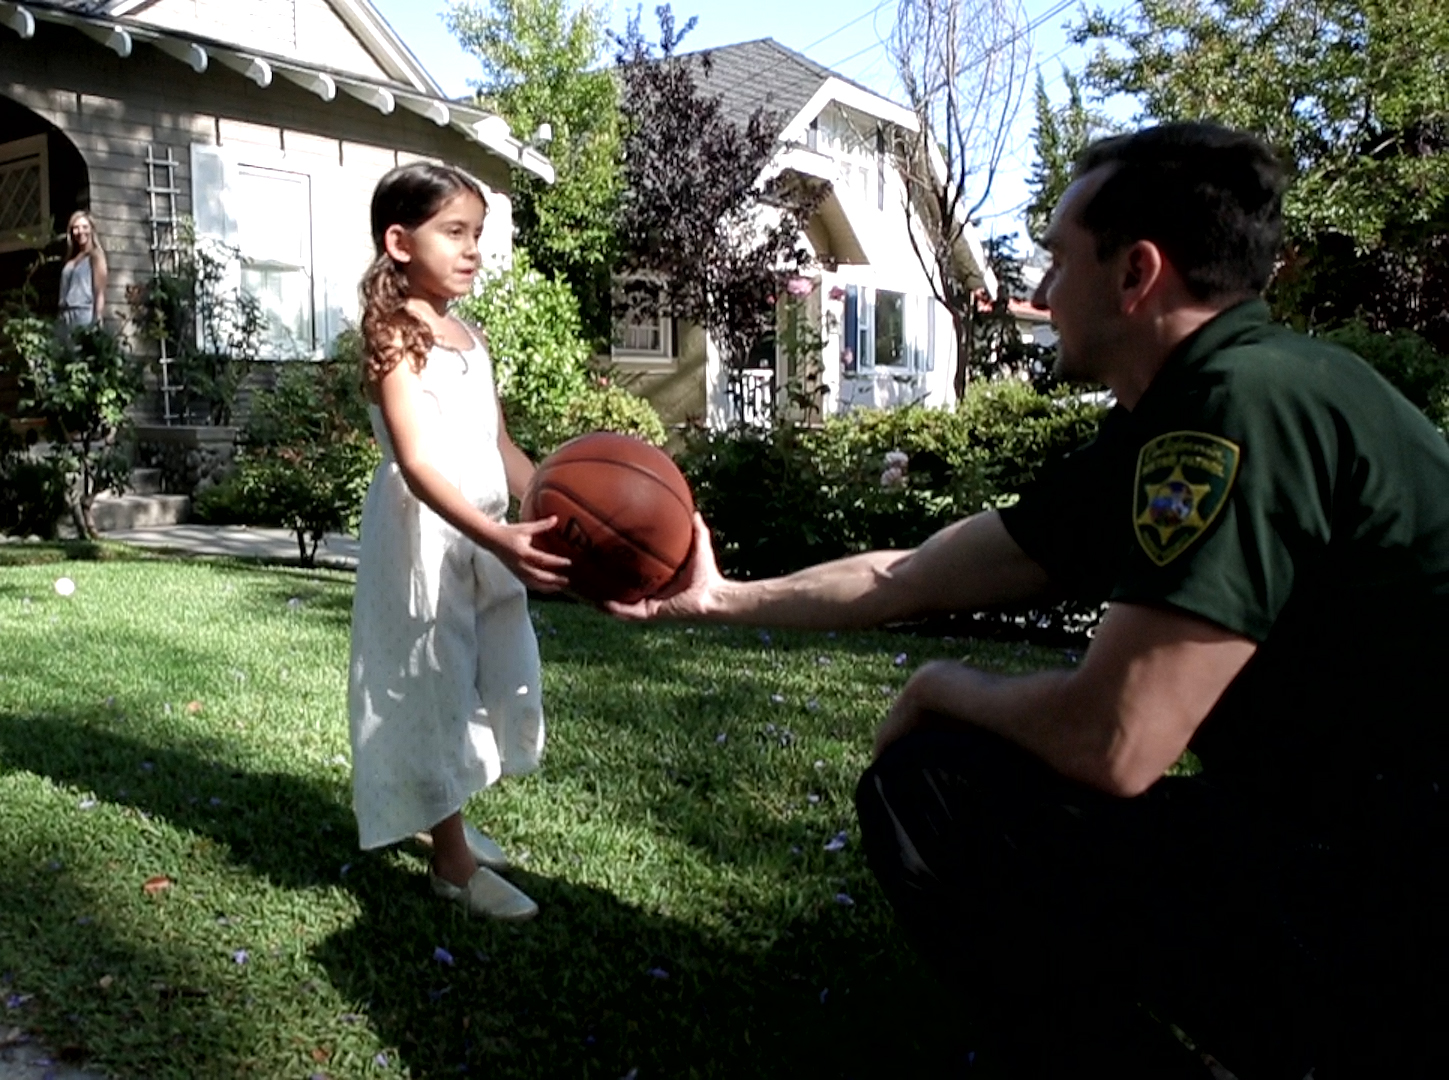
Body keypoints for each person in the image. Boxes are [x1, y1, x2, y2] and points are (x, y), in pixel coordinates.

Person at [614, 122, 1449, 1078]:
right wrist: (714, 600)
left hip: (1396, 885)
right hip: (1355, 840)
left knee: (932, 786)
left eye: (1055, 261)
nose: (1042, 295)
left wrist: (940, 685)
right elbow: (912, 574)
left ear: (1135, 274)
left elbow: (1116, 741)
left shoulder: (1234, 413)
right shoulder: (1221, 400)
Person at [348, 163, 570, 922]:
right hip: (424, 543)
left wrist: (555, 508)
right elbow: (415, 460)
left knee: (492, 674)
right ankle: (450, 861)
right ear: (399, 241)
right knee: (430, 691)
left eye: (478, 234)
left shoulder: (467, 334)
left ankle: (449, 809)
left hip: (487, 536)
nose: (473, 249)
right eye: (455, 232)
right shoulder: (392, 333)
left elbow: (498, 443)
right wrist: (495, 534)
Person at [57, 210, 107, 334]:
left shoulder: (96, 256)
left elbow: (99, 292)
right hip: (65, 314)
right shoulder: (72, 258)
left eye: (84, 227)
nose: (80, 232)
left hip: (84, 313)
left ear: (91, 229)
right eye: (76, 228)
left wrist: (97, 319)